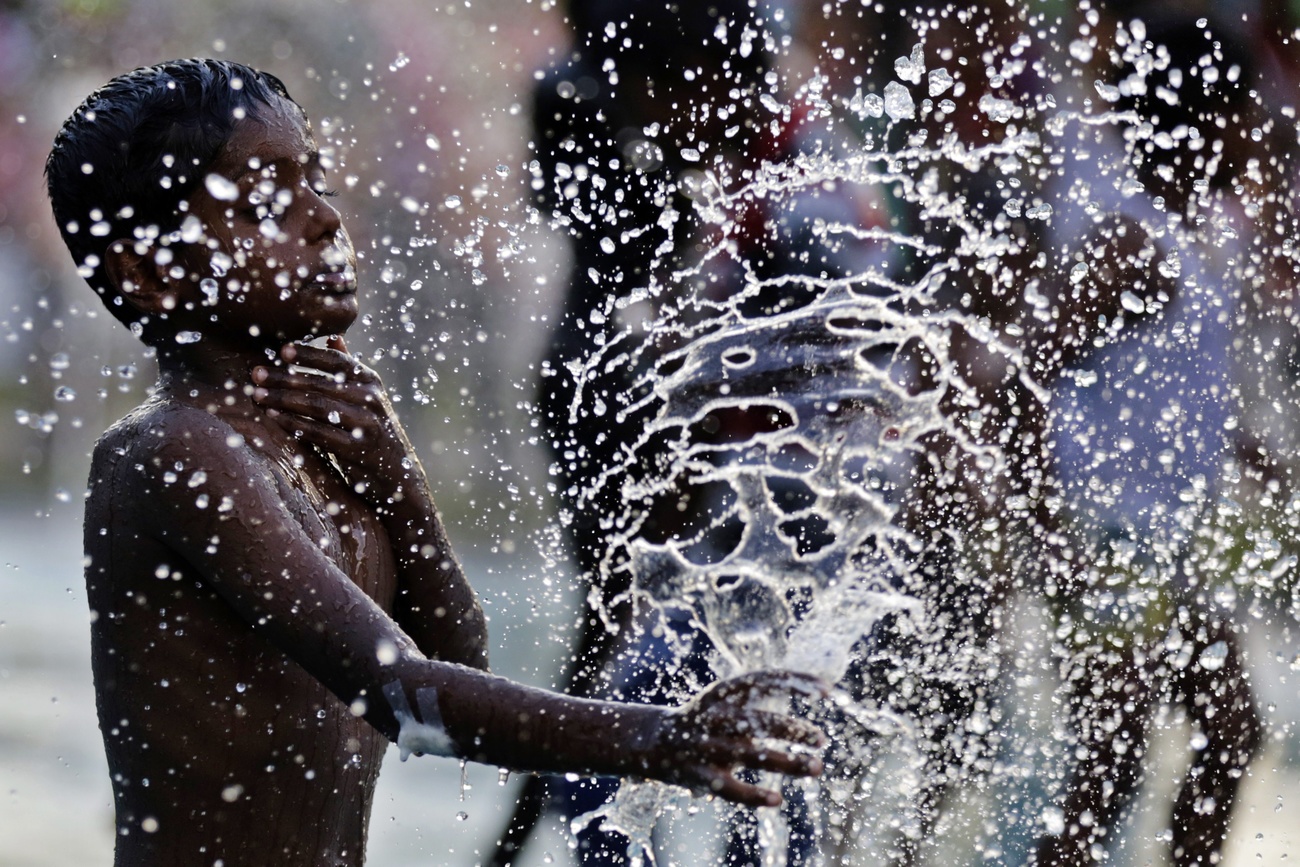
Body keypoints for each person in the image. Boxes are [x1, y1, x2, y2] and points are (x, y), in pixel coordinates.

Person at [44, 58, 827, 867]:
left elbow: (457, 666)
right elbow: (403, 696)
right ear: (148, 272)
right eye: (267, 197)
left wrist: (402, 490)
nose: (320, 218)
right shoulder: (174, 450)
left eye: (319, 184)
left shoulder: (329, 440)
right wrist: (658, 737)